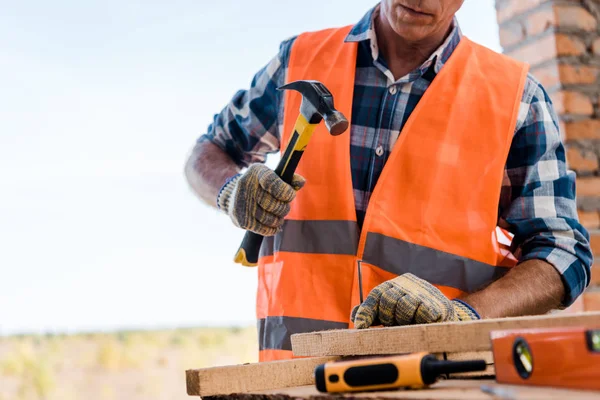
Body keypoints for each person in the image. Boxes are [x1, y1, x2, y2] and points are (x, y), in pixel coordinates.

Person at [185, 0, 593, 362]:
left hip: (434, 376)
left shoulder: (516, 98)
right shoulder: (299, 60)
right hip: (292, 377)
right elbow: (208, 152)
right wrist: (229, 190)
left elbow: (562, 255)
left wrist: (465, 316)